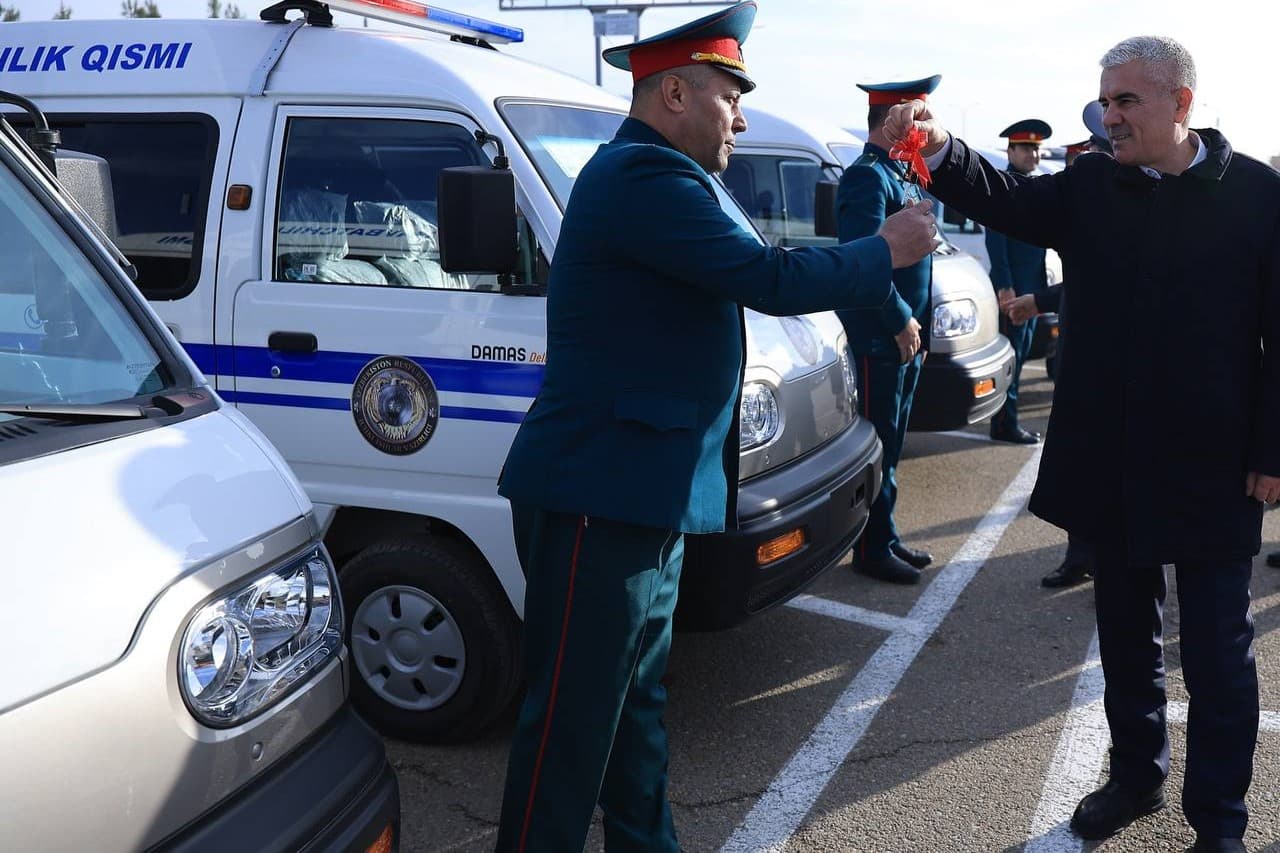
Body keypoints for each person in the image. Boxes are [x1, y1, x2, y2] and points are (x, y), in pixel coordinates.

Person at [492, 4, 939, 851]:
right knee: (575, 722)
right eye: (728, 96)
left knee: (636, 708)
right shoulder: (643, 179)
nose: (739, 116)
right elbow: (766, 276)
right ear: (671, 94)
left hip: (643, 491)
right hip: (602, 491)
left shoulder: (675, 178)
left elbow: (761, 263)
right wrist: (885, 249)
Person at [885, 35, 1279, 852]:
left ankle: (1221, 822)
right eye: (1105, 98)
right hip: (1111, 456)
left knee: (1217, 656)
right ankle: (1136, 777)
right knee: (1125, 637)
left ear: (1182, 104)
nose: (1110, 113)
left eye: (1128, 99)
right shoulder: (1093, 183)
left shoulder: (1256, 194)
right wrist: (944, 144)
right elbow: (1004, 198)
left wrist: (1273, 450)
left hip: (1214, 464)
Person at [836, 74, 942, 585]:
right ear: (895, 120)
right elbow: (863, 263)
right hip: (884, 336)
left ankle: (886, 535)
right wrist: (899, 319)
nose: (925, 129)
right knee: (881, 443)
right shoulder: (867, 177)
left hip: (908, 336)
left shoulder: (906, 174)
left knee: (895, 443)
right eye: (917, 118)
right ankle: (871, 549)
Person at [1004, 102, 1113, 589]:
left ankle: (1101, 558)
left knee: (1103, 464)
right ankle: (1083, 554)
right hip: (1081, 345)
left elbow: (1095, 278)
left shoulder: (1122, 204)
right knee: (1086, 459)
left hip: (1107, 361)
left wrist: (1036, 299)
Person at [984, 118, 1053, 445]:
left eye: (1036, 149)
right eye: (1026, 148)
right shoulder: (1004, 186)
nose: (1033, 154)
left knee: (1021, 356)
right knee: (1011, 357)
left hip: (1030, 287)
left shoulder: (1032, 184)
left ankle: (1005, 421)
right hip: (1013, 289)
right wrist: (1004, 285)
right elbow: (996, 239)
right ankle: (1004, 424)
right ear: (1010, 150)